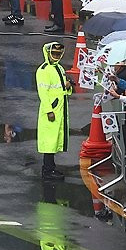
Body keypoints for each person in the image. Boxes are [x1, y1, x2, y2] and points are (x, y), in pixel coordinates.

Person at [36, 40, 73, 180]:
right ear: (48, 53)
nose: (56, 56)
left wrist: (68, 86)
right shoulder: (44, 70)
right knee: (49, 140)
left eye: (58, 54)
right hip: (52, 110)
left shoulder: (59, 68)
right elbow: (43, 93)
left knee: (55, 139)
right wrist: (49, 110)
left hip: (60, 109)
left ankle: (51, 167)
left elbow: (60, 87)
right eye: (54, 53)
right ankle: (47, 170)